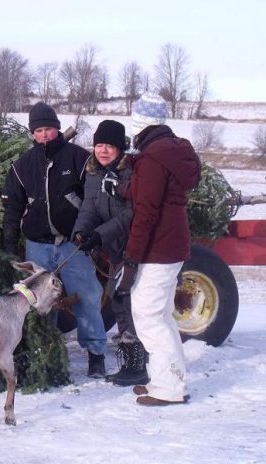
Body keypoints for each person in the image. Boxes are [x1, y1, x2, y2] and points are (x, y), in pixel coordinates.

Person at [2, 102, 107, 378]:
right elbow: (12, 207)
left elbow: (95, 200)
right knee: (38, 304)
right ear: (33, 134)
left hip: (73, 245)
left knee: (88, 296)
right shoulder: (22, 166)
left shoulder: (79, 158)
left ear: (57, 128)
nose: (44, 135)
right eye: (38, 131)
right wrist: (10, 242)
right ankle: (47, 355)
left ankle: (96, 353)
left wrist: (89, 232)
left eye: (48, 129)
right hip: (38, 246)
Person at [115, 93, 201, 406]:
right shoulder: (170, 151)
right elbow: (161, 193)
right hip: (172, 243)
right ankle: (166, 379)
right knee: (161, 316)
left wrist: (132, 257)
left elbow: (147, 213)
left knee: (148, 316)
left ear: (143, 121)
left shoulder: (152, 158)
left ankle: (169, 389)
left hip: (158, 247)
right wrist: (128, 187)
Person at [72, 119, 149, 387]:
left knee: (130, 301)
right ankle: (132, 363)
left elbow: (131, 214)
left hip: (136, 247)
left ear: (120, 148)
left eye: (110, 146)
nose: (103, 151)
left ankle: (139, 364)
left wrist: (100, 234)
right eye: (99, 145)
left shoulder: (131, 173)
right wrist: (81, 232)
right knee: (118, 300)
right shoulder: (94, 172)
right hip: (115, 249)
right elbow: (89, 208)